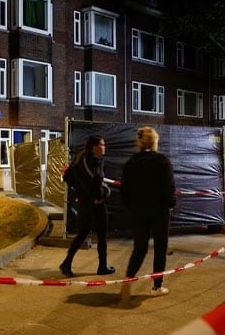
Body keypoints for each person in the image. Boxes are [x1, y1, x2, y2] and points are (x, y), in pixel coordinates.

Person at [120, 126, 176, 298]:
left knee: (140, 247)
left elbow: (125, 189)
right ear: (154, 142)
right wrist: (170, 204)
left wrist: (131, 206)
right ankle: (157, 286)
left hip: (138, 210)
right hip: (159, 211)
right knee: (160, 248)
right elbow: (169, 187)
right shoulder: (162, 161)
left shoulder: (131, 162)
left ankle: (128, 279)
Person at [59, 135, 116, 277]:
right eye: (102, 145)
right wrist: (101, 193)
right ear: (94, 147)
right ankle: (102, 266)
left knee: (82, 233)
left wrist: (80, 191)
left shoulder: (80, 159)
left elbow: (67, 177)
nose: (104, 147)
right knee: (102, 234)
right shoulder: (96, 161)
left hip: (85, 203)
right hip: (96, 204)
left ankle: (67, 263)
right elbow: (96, 181)